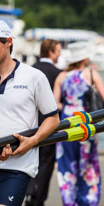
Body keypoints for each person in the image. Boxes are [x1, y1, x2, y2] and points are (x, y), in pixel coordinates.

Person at [0, 19, 60, 206]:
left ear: (9, 42)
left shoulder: (34, 77)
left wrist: (32, 141)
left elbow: (53, 118)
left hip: (19, 167)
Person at [53, 41, 104, 206]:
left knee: (66, 164)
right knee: (88, 164)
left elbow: (54, 104)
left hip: (66, 122)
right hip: (85, 122)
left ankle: (69, 201)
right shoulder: (91, 73)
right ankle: (88, 200)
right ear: (85, 57)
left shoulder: (62, 76)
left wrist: (68, 106)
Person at [25, 39, 62, 206]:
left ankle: (27, 191)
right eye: (58, 51)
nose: (60, 54)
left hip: (28, 125)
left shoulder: (28, 70)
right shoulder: (58, 73)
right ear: (51, 52)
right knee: (46, 164)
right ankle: (37, 199)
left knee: (28, 160)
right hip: (48, 125)